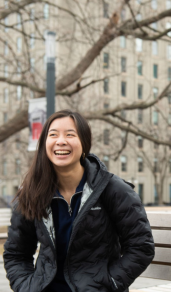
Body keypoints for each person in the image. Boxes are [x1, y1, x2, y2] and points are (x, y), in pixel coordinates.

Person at [4, 110, 154, 292]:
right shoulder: (31, 193)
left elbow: (140, 246)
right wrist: (27, 287)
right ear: (44, 143)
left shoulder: (111, 188)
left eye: (70, 134)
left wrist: (110, 283)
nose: (61, 141)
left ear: (84, 143)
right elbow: (16, 254)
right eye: (53, 135)